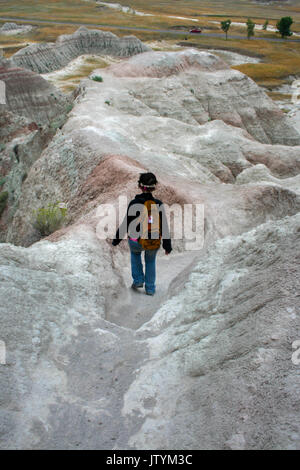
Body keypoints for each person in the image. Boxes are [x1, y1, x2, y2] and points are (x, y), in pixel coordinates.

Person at [112, 172, 172, 295]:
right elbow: (164, 227)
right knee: (150, 261)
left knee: (135, 255)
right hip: (153, 239)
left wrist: (116, 240)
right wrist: (167, 246)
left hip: (136, 240)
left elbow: (126, 224)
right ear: (154, 187)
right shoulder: (158, 204)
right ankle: (150, 288)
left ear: (140, 186)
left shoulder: (134, 204)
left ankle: (138, 280)